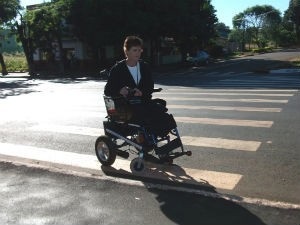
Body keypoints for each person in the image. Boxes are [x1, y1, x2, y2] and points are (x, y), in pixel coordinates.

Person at [104, 36, 175, 138]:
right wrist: (120, 90)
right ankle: (149, 139)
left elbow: (149, 86)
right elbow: (108, 90)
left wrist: (141, 92)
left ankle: (158, 138)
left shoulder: (144, 66)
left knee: (160, 110)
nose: (138, 53)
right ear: (127, 51)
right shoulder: (117, 69)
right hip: (125, 106)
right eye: (134, 50)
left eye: (140, 50)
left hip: (143, 101)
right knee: (145, 114)